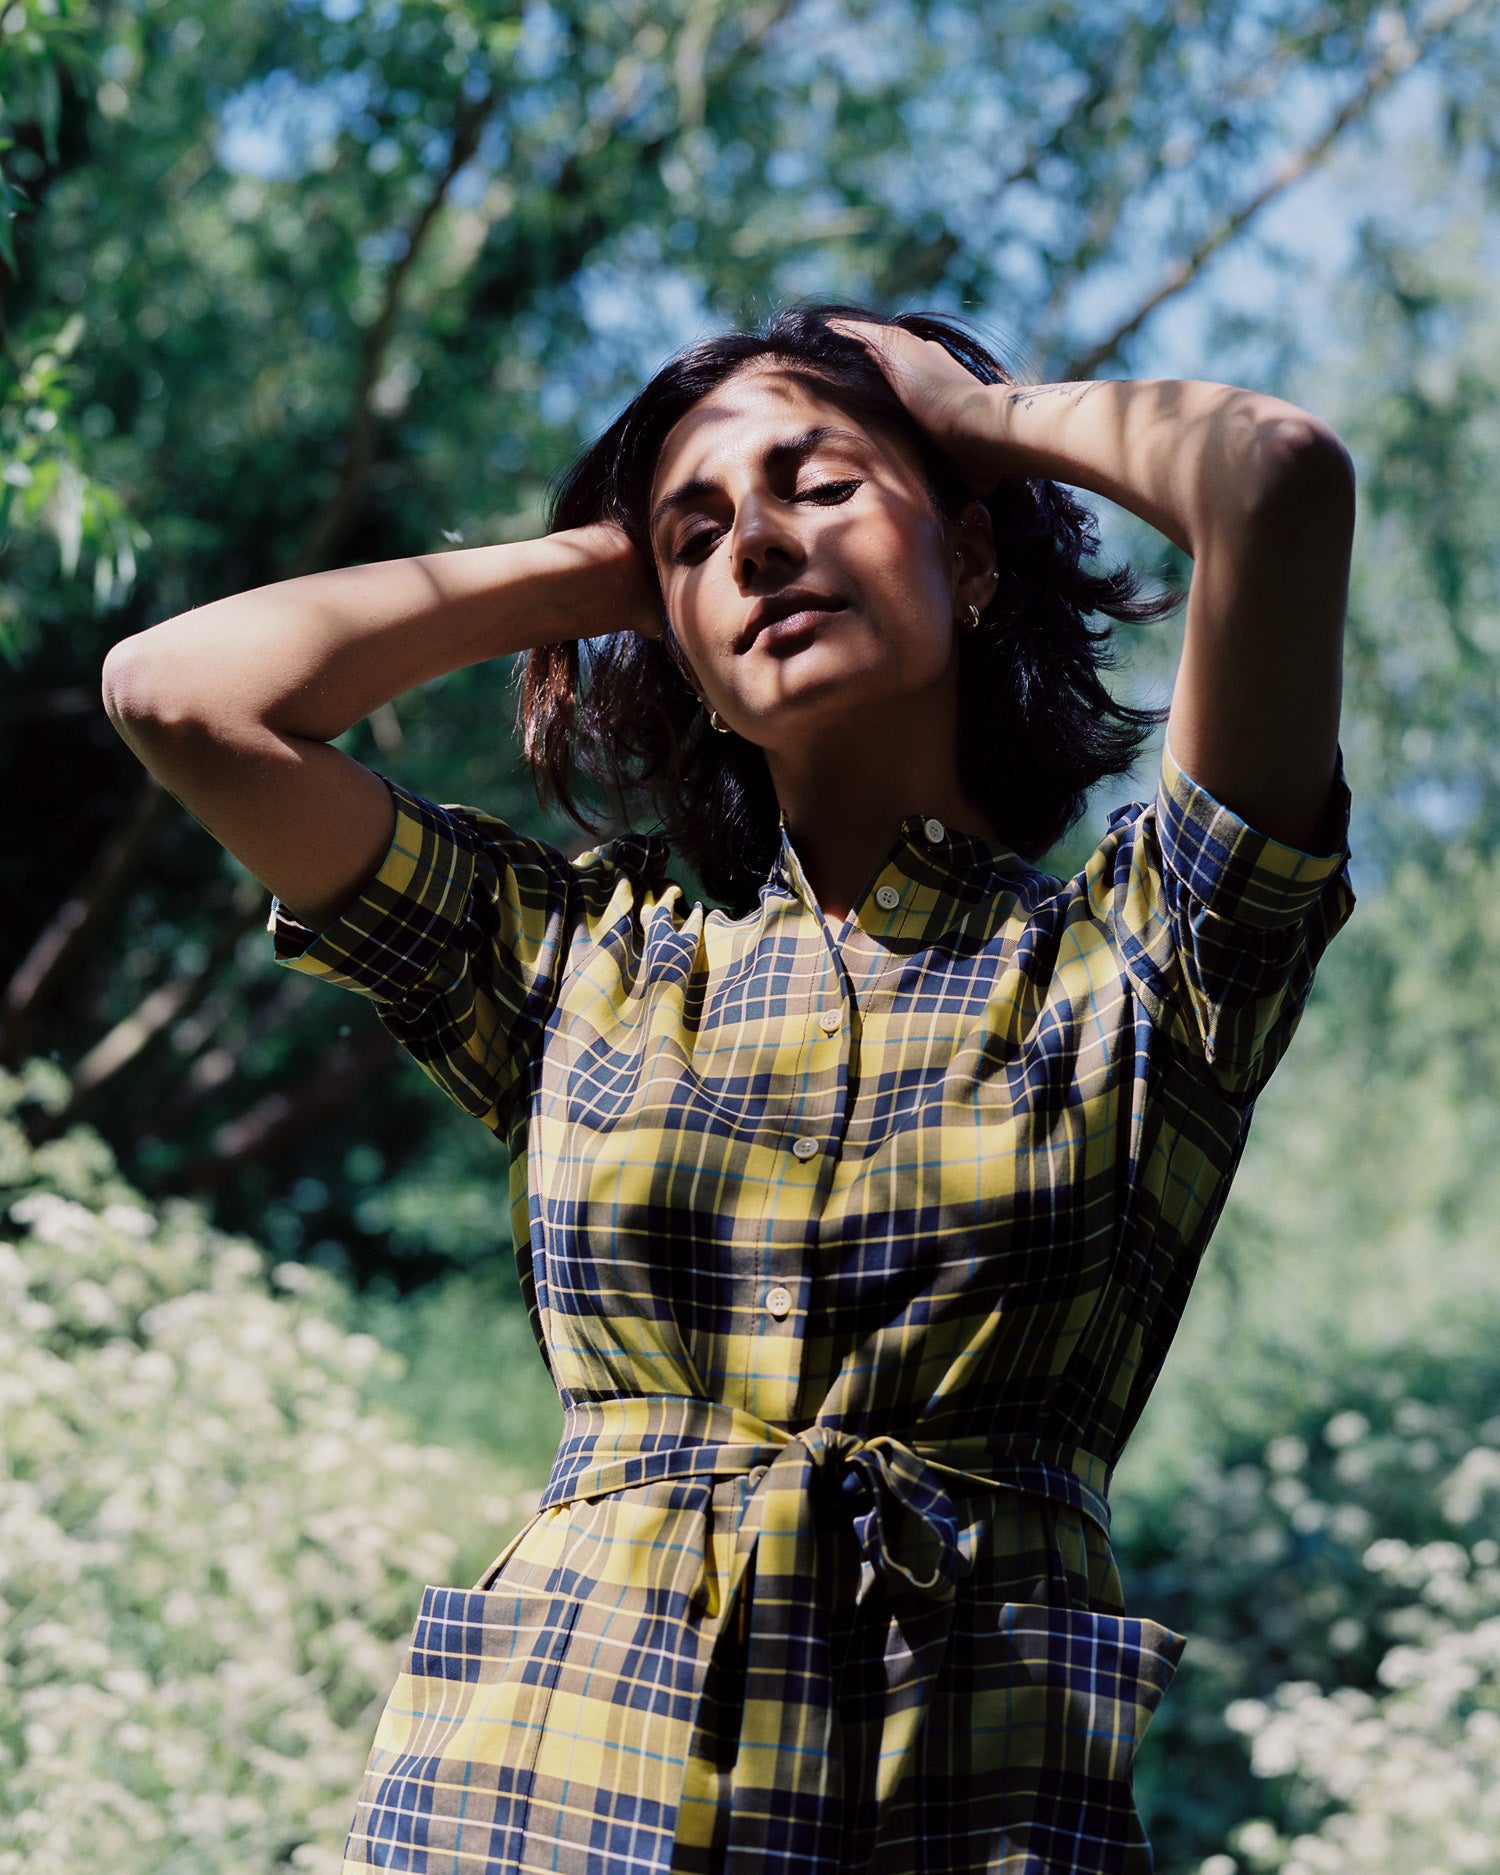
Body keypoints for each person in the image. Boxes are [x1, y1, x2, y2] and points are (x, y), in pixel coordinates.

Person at [102, 305, 1356, 1875]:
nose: (759, 541)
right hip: (549, 1802)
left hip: (963, 1805)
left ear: (971, 562)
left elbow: (1279, 480)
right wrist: (615, 568)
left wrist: (973, 410)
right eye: (704, 534)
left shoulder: (1150, 957)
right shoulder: (580, 964)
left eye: (819, 486)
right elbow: (179, 696)